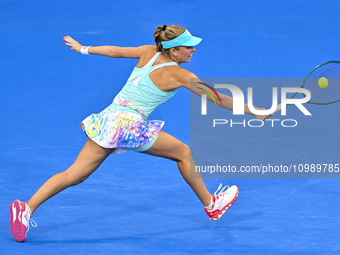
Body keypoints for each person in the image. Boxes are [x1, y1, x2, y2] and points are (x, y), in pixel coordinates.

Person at [9, 25, 272, 242]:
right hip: (128, 125)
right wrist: (252, 111)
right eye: (188, 46)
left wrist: (84, 49)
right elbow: (214, 97)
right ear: (174, 49)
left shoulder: (148, 52)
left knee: (75, 174)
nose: (193, 50)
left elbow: (113, 51)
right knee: (183, 153)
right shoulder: (179, 75)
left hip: (109, 118)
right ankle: (211, 205)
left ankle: (26, 207)